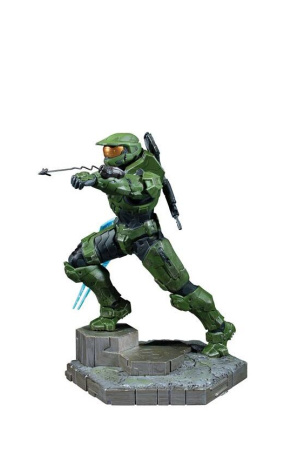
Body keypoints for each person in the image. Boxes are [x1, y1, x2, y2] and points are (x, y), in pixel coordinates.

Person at [64, 133, 235, 357]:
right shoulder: (116, 170)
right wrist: (89, 177)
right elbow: (110, 177)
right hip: (121, 232)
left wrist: (97, 182)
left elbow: (130, 187)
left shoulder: (150, 173)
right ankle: (113, 307)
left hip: (146, 238)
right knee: (78, 262)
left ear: (131, 150)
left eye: (115, 150)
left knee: (182, 291)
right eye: (107, 150)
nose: (109, 155)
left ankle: (219, 329)